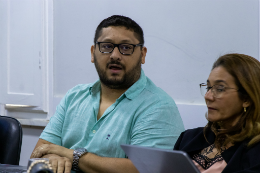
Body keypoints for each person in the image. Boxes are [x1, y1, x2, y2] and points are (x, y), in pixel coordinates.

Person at [31, 15, 184, 173]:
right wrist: (51, 159)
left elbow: (142, 169)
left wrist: (72, 156)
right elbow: (39, 153)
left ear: (143, 54)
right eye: (106, 46)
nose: (115, 55)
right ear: (93, 52)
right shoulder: (74, 96)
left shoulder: (158, 106)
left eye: (126, 47)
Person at [174, 53, 260, 173]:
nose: (208, 96)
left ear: (246, 99)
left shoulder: (255, 151)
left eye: (220, 89)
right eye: (208, 87)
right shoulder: (188, 138)